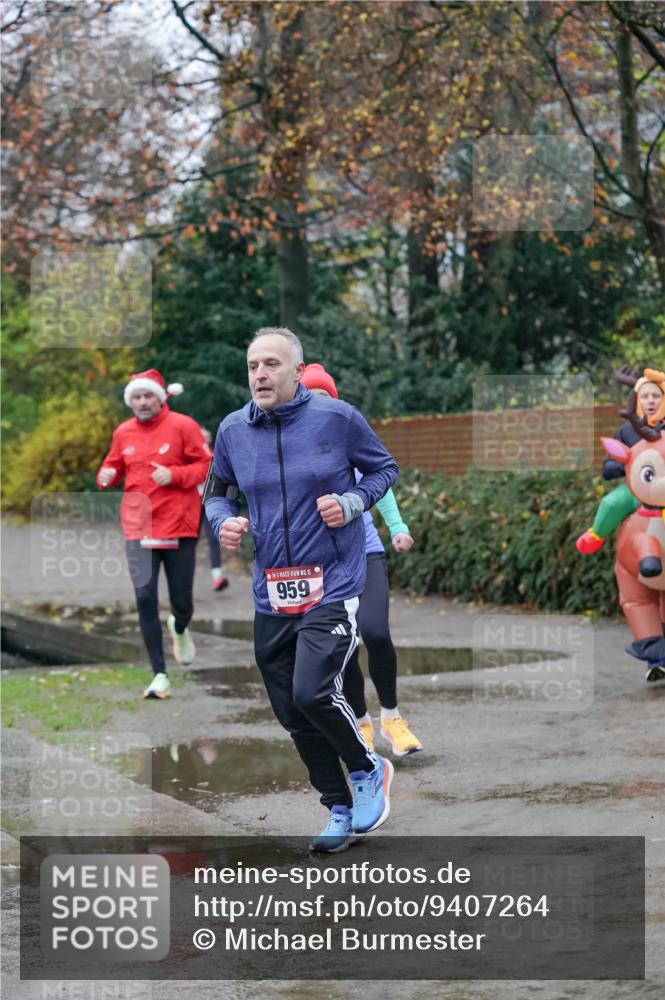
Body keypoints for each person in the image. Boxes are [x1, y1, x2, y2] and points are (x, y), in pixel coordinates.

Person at [205, 328, 399, 852]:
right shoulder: (231, 431)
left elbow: (383, 470)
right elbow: (216, 492)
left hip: (333, 581)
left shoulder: (337, 419)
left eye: (271, 364)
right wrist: (222, 520)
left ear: (297, 370)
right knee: (291, 711)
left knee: (313, 690)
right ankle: (337, 805)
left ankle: (367, 769)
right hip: (272, 589)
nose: (260, 375)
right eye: (252, 366)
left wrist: (353, 503)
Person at [301, 363, 423, 757]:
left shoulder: (347, 436)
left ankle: (392, 718)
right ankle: (360, 723)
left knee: (375, 632)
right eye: (309, 399)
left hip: (364, 551)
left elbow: (380, 485)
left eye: (325, 399)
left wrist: (398, 527)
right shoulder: (289, 447)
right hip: (318, 560)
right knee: (345, 644)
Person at [97, 369, 210, 699]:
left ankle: (180, 627)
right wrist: (106, 475)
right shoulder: (123, 432)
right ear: (130, 400)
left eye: (148, 396)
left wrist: (174, 474)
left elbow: (206, 465)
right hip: (138, 525)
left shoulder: (183, 426)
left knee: (181, 602)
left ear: (160, 398)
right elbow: (114, 466)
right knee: (144, 597)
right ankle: (159, 674)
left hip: (178, 524)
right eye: (136, 397)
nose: (142, 402)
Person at [577, 369, 665, 554]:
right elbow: (607, 470)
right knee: (612, 503)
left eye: (656, 396)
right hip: (639, 489)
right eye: (645, 396)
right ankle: (595, 535)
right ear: (636, 401)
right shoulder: (626, 431)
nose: (650, 400)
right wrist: (629, 465)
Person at [199, 427, 229, 593]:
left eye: (206, 437)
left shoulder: (215, 456)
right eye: (200, 437)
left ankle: (217, 577)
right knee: (188, 543)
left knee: (213, 539)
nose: (203, 440)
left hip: (210, 502)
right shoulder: (188, 456)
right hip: (191, 503)